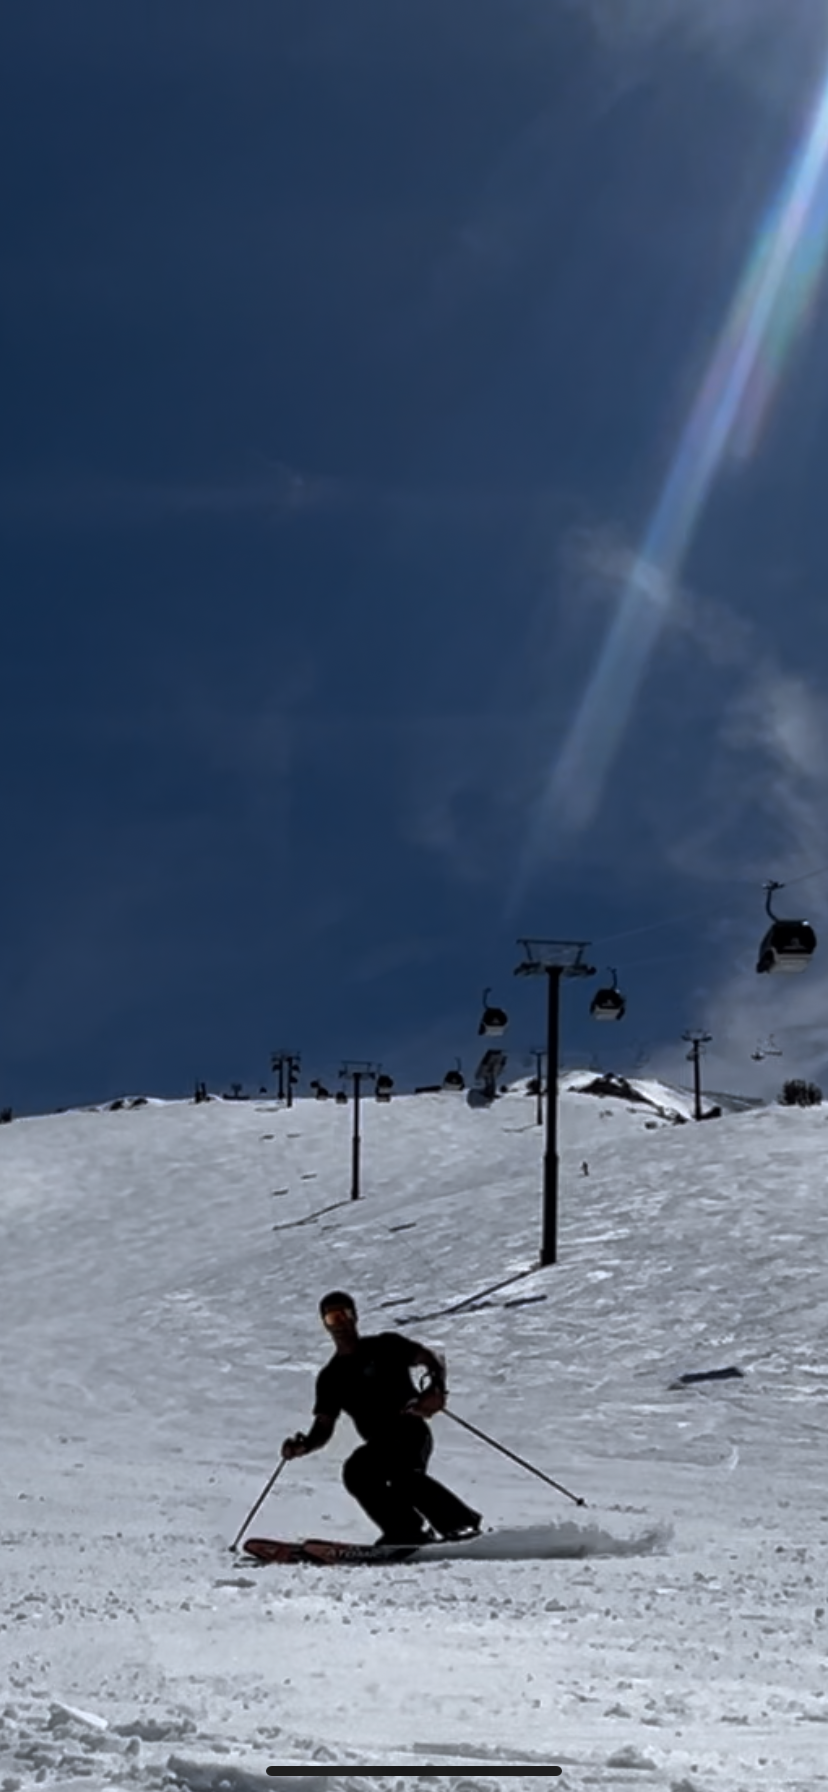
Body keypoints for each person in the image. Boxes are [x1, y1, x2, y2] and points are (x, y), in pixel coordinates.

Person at [281, 1289, 482, 1546]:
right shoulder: (331, 1377)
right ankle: (407, 1531)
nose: (340, 1324)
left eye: (344, 1315)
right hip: (380, 1442)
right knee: (361, 1472)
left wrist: (436, 1389)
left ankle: (458, 1525)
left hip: (411, 1431)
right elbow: (324, 1425)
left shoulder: (385, 1346)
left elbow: (432, 1358)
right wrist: (305, 1445)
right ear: (325, 1325)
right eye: (332, 1318)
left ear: (355, 1317)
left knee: (397, 1475)